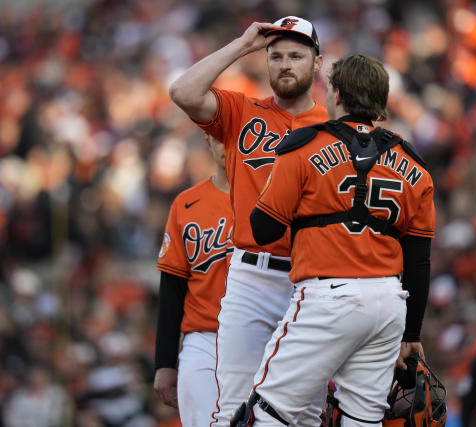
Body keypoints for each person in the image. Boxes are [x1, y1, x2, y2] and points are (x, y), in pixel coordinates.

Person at [242, 53, 436, 426]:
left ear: (337, 93)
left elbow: (262, 229)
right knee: (361, 420)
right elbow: (419, 261)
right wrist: (412, 332)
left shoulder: (304, 147)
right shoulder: (416, 165)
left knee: (266, 413)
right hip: (388, 306)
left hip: (327, 297)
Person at [169, 16, 329, 425]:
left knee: (304, 413)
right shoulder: (242, 111)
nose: (285, 64)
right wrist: (242, 46)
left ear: (317, 63)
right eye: (275, 56)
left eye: (296, 55)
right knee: (231, 408)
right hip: (251, 277)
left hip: (310, 280)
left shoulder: (332, 127)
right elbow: (183, 91)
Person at [153, 134, 232, 427]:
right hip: (204, 340)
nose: (228, 147)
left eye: (236, 138)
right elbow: (172, 287)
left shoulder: (274, 199)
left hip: (264, 336)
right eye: (221, 139)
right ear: (208, 142)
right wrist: (164, 362)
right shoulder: (187, 203)